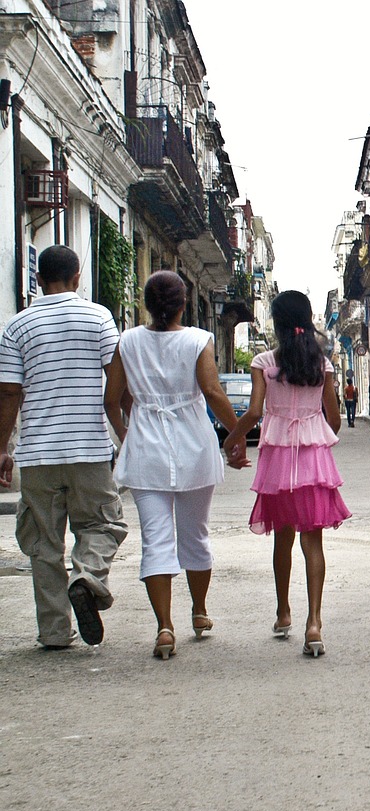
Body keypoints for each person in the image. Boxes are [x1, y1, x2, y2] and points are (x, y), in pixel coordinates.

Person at [104, 271, 247, 660]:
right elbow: (213, 392)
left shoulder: (127, 341)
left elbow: (112, 400)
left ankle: (164, 628)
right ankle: (199, 612)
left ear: (147, 304)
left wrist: (127, 438)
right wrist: (235, 437)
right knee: (195, 535)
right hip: (193, 447)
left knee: (156, 539)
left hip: (146, 447)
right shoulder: (198, 340)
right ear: (183, 303)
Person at [0, 245, 128, 649]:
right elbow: (119, 382)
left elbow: (8, 394)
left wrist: (2, 449)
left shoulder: (16, 326)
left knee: (43, 542)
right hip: (89, 448)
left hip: (37, 454)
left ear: (38, 279)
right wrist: (128, 435)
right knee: (103, 524)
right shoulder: (99, 318)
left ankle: (55, 631)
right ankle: (88, 576)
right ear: (78, 278)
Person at [223, 290, 351, 657]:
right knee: (313, 540)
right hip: (313, 454)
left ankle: (283, 613)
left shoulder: (264, 361)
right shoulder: (321, 364)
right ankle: (315, 623)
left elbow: (253, 413)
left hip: (278, 455)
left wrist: (231, 442)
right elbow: (335, 418)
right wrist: (316, 436)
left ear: (277, 324)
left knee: (282, 536)